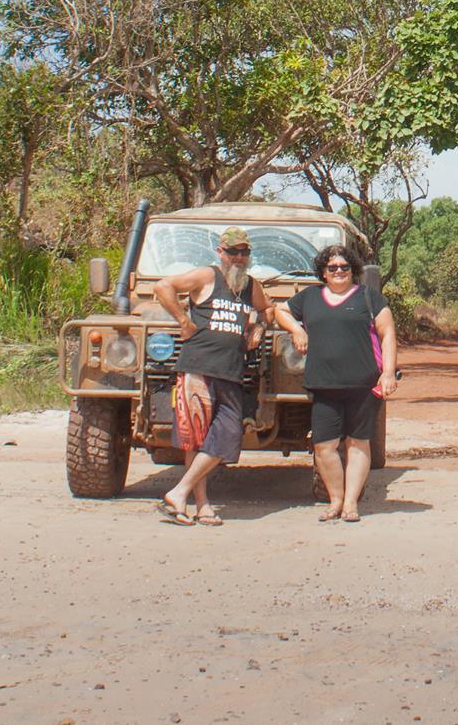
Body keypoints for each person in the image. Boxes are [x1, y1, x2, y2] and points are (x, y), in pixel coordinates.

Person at [270, 244, 399, 524]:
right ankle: (335, 500)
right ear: (323, 273)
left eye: (345, 267)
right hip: (323, 385)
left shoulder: (369, 297)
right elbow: (279, 310)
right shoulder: (310, 298)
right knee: (324, 447)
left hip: (363, 385)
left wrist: (388, 373)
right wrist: (296, 329)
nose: (339, 271)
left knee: (358, 443)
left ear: (353, 271)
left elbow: (387, 334)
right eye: (332, 268)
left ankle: (351, 503)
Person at [151, 226, 268, 527]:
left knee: (227, 435)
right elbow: (163, 287)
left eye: (244, 252)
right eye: (232, 252)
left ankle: (180, 495)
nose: (238, 257)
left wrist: (257, 327)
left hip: (231, 372)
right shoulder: (207, 276)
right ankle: (199, 504)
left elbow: (267, 309)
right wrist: (182, 319)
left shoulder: (249, 286)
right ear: (221, 252)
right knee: (198, 439)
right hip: (199, 369)